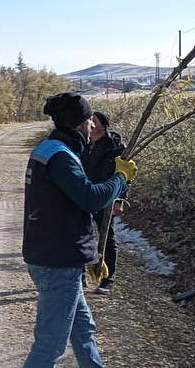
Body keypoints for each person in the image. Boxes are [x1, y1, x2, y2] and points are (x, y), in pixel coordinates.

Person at [22, 92, 137, 367]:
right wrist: (120, 179)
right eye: (89, 120)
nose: (92, 125)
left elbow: (65, 208)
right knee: (49, 347)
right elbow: (90, 198)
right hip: (58, 263)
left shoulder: (52, 148)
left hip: (58, 257)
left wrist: (90, 257)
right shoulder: (60, 156)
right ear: (80, 123)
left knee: (83, 331)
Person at [82, 111, 127, 295]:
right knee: (81, 236)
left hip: (106, 199)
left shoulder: (115, 146)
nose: (91, 122)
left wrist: (120, 201)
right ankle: (80, 276)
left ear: (104, 125)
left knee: (107, 238)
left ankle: (107, 281)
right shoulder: (80, 142)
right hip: (82, 196)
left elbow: (125, 175)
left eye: (95, 119)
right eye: (89, 119)